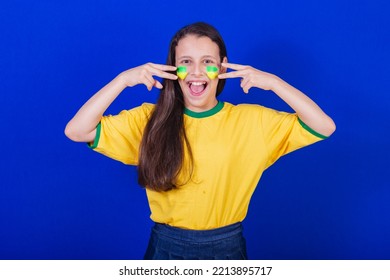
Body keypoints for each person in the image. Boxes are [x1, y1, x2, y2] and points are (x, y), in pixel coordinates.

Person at [65, 22, 336, 260]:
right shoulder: (149, 120)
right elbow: (77, 131)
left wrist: (275, 82)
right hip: (165, 251)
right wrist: (123, 80)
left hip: (227, 251)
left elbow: (323, 126)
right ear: (173, 68)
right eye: (185, 62)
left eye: (207, 61)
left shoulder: (253, 121)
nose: (196, 72)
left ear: (221, 66)